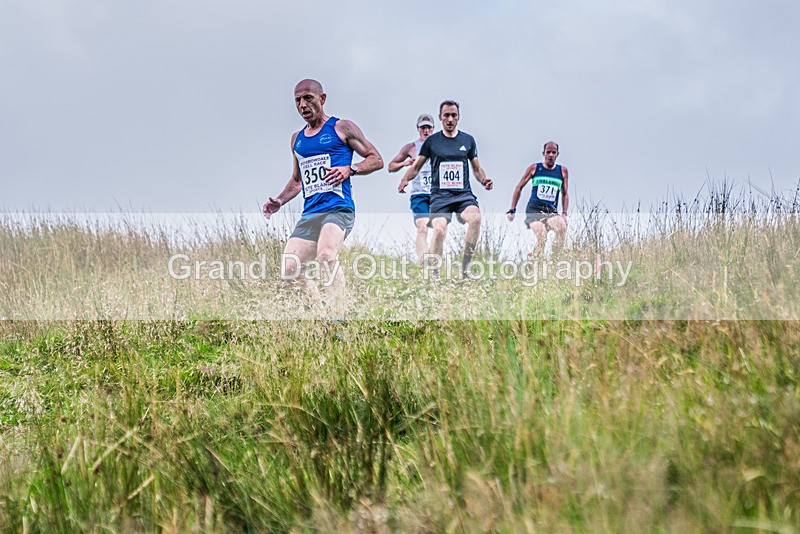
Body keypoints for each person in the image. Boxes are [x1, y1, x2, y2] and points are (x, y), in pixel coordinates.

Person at [262, 79, 383, 299]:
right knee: (289, 270)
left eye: (308, 98)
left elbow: (376, 159)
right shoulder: (296, 140)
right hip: (311, 214)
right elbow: (297, 181)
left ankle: (340, 317)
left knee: (326, 256)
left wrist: (351, 169)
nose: (302, 105)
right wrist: (279, 201)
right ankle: (322, 318)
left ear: (322, 99)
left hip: (338, 208)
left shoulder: (342, 127)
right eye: (297, 100)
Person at [401, 100, 493, 277]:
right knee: (439, 230)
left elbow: (476, 168)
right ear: (440, 117)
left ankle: (465, 266)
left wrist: (484, 180)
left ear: (458, 117)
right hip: (440, 197)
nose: (450, 119)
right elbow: (417, 166)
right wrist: (405, 179)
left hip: (463, 195)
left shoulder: (468, 140)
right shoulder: (432, 142)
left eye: (453, 115)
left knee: (476, 219)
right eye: (446, 115)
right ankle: (434, 273)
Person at [506, 141, 569, 256]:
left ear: (557, 154)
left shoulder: (562, 171)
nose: (550, 155)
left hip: (550, 210)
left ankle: (555, 258)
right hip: (534, 210)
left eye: (553, 152)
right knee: (542, 235)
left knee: (562, 227)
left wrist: (564, 213)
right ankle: (536, 263)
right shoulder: (535, 168)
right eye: (548, 152)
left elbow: (565, 194)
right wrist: (512, 209)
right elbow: (519, 187)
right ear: (543, 153)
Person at [390, 113, 435, 263]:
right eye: (423, 128)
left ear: (433, 129)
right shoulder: (412, 147)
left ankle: (434, 258)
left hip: (438, 194)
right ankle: (423, 261)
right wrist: (405, 163)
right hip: (419, 194)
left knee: (439, 230)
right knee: (422, 227)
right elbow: (391, 166)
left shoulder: (441, 145)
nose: (426, 131)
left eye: (428, 127)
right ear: (418, 129)